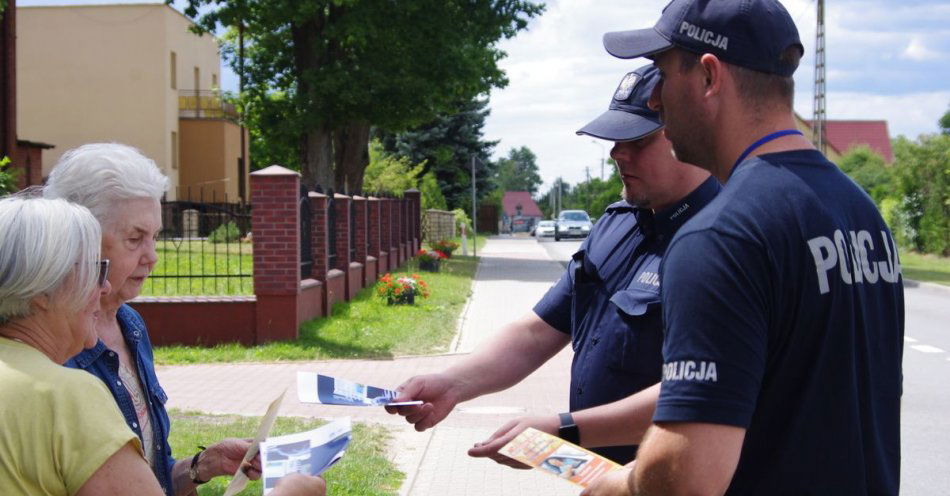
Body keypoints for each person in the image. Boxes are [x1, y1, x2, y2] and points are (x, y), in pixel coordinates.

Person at [585, 0, 904, 494]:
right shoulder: (861, 212)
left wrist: (618, 484)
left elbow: (688, 477)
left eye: (663, 74)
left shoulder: (720, 236)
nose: (654, 101)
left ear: (709, 76)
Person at [387, 65, 719, 465]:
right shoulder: (617, 225)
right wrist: (452, 383)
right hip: (600, 479)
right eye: (614, 139)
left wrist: (568, 428)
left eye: (637, 140)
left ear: (686, 133)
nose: (616, 152)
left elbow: (705, 390)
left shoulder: (727, 239)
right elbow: (537, 332)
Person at [0, 196, 327, 496]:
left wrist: (203, 465)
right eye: (93, 269)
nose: (105, 286)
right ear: (41, 291)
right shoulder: (64, 395)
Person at [43, 143, 259, 496]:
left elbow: (149, 478)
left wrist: (203, 466)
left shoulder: (131, 325)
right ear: (80, 239)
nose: (152, 257)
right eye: (135, 238)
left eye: (155, 237)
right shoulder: (50, 348)